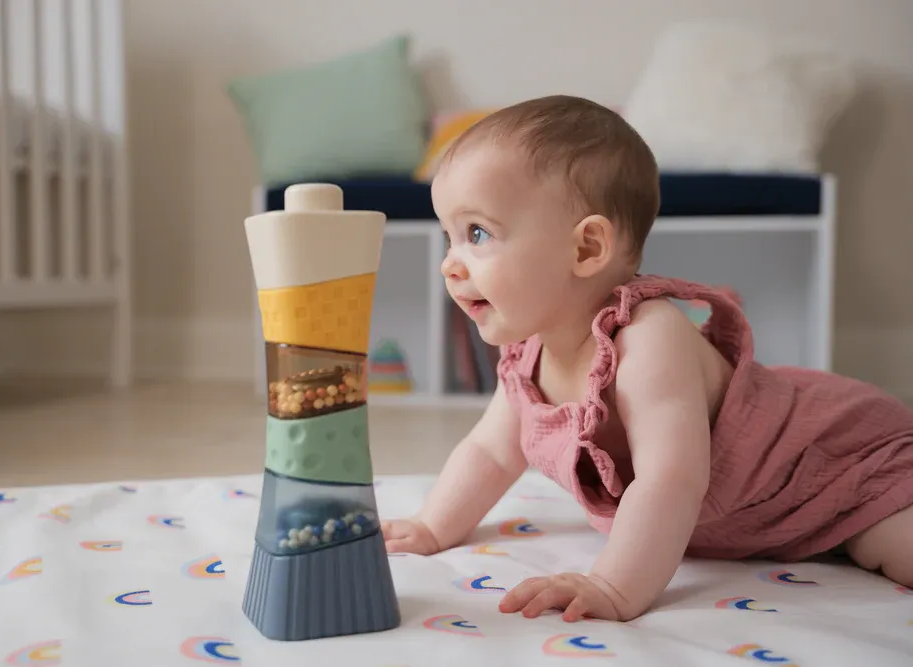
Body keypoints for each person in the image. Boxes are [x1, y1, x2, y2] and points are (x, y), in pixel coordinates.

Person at [380, 94, 913, 623]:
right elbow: (491, 453)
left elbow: (670, 479)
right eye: (449, 237)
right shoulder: (528, 354)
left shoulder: (648, 338)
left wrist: (614, 587)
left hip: (837, 464)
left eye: (477, 234)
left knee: (891, 543)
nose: (450, 264)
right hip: (762, 521)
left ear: (587, 248)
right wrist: (432, 526)